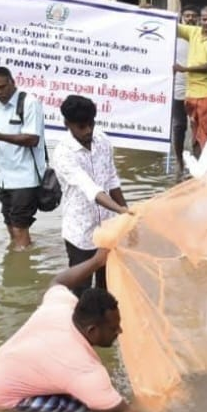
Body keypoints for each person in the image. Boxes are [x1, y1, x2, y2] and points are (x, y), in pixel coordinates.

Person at [0, 248, 127, 412]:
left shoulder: (62, 305)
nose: (120, 331)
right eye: (113, 328)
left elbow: (58, 281)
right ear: (92, 330)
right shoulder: (83, 368)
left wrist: (96, 261)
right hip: (4, 397)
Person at [51, 95, 130, 291]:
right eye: (81, 127)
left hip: (108, 228)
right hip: (81, 232)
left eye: (91, 124)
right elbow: (90, 189)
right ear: (67, 124)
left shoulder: (102, 140)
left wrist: (124, 213)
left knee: (108, 287)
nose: (88, 131)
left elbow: (112, 179)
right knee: (81, 290)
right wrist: (121, 211)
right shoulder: (63, 153)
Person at [0, 67, 48, 251]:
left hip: (25, 179)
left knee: (19, 228)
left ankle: (21, 271)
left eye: (2, 87)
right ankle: (20, 257)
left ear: (13, 82)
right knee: (11, 227)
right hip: (4, 179)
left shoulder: (29, 103)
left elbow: (33, 139)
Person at [177, 6, 207, 152]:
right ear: (200, 20)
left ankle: (206, 169)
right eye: (204, 19)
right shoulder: (194, 32)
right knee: (194, 132)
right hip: (190, 93)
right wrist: (150, 12)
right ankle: (196, 167)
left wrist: (185, 69)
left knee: (206, 133)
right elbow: (172, 27)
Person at [172, 7, 197, 176]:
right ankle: (179, 161)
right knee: (179, 125)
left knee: (197, 125)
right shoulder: (174, 36)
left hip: (197, 88)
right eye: (187, 16)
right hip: (177, 87)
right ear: (182, 18)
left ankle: (197, 160)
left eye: (193, 16)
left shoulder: (201, 35)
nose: (190, 18)